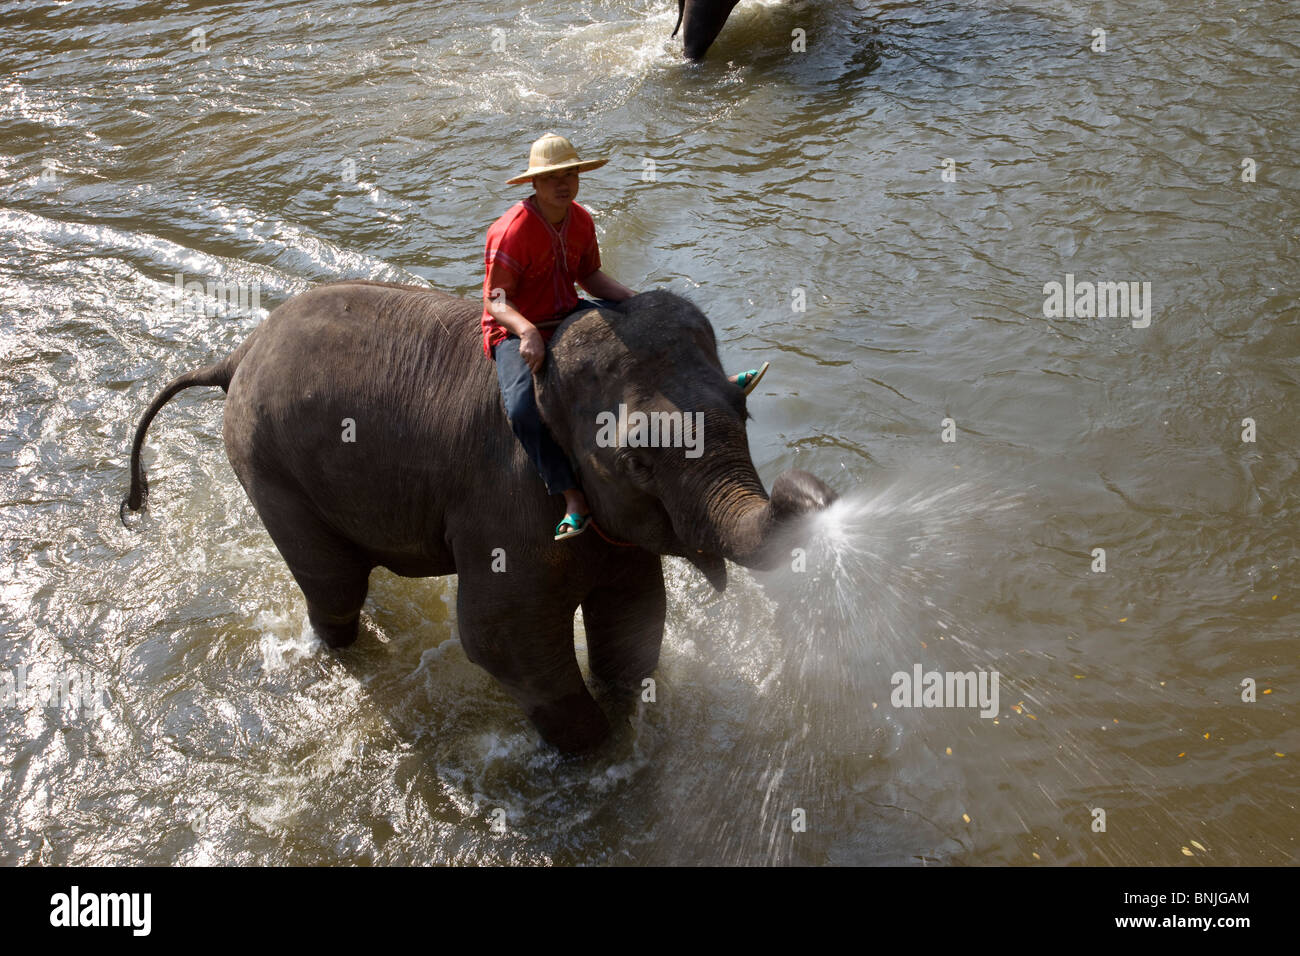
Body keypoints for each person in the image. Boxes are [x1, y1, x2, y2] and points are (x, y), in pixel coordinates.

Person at [482, 132, 768, 541]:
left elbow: (589, 276)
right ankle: (571, 497)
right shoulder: (511, 231)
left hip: (566, 311)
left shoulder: (580, 218)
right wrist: (526, 331)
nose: (563, 184)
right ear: (534, 184)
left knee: (652, 333)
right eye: (552, 178)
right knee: (524, 409)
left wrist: (638, 304)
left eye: (571, 174)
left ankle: (713, 389)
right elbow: (495, 301)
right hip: (516, 327)